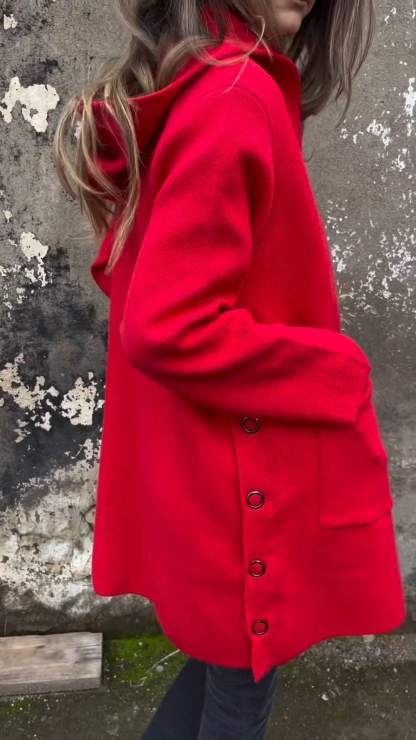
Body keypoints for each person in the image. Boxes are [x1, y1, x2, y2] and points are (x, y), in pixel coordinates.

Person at [53, 1, 406, 738]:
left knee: (227, 670)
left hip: (223, 472)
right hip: (245, 487)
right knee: (239, 698)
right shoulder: (232, 100)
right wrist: (331, 369)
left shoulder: (208, 87)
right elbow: (167, 324)